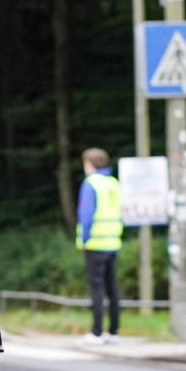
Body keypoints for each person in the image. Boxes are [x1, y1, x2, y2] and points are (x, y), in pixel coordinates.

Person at [75, 148, 122, 345]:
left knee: (97, 288)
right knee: (112, 288)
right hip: (112, 241)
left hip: (95, 242)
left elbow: (86, 214)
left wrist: (83, 239)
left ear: (90, 164)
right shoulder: (113, 183)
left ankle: (96, 332)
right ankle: (113, 331)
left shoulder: (91, 183)